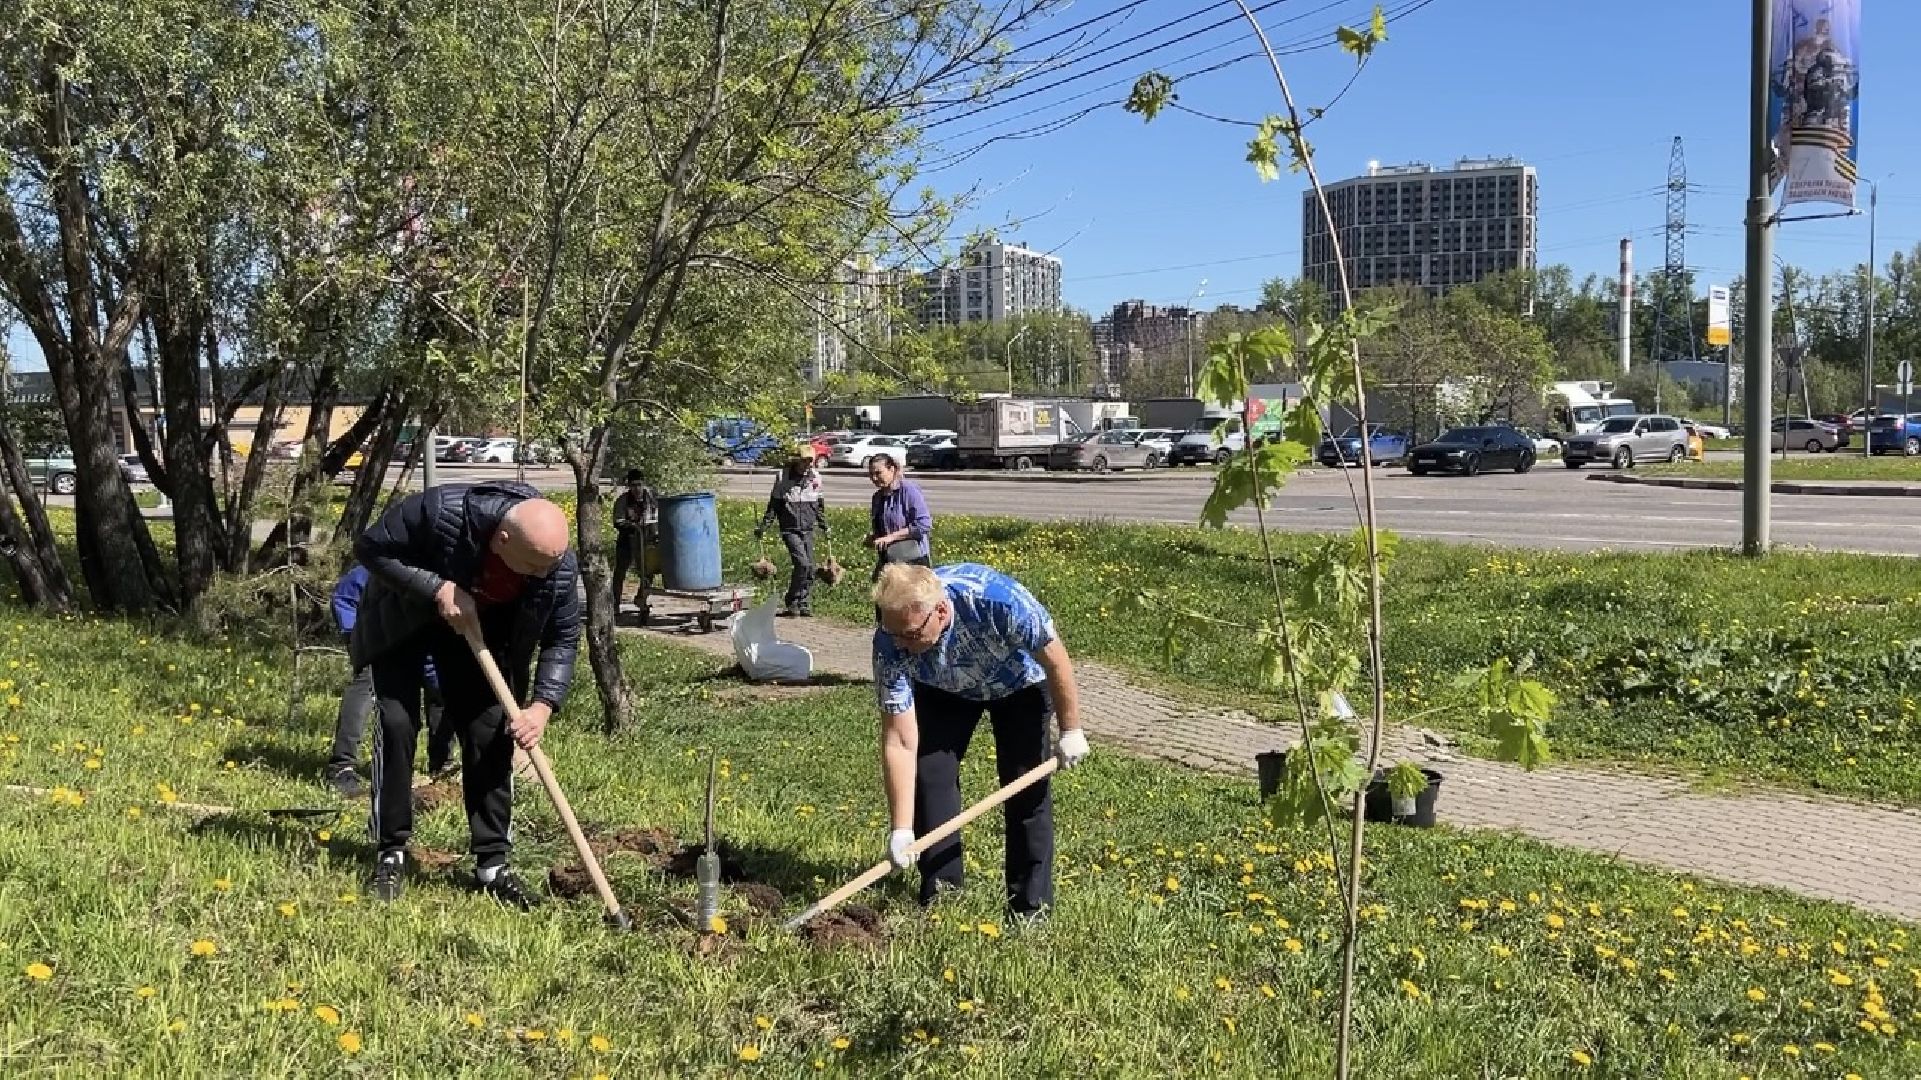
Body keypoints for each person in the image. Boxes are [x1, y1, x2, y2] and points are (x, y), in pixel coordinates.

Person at [351, 481, 580, 906]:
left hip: (478, 633)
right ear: (503, 539)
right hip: (404, 618)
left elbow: (563, 638)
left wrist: (542, 706)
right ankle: (391, 851)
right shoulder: (440, 512)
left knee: (490, 732)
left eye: (550, 565)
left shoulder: (555, 564)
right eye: (533, 566)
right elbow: (371, 548)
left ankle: (492, 865)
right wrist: (437, 588)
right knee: (397, 723)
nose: (542, 575)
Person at [870, 562, 1091, 920]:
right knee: (931, 777)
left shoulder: (998, 602)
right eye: (893, 634)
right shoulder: (891, 641)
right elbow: (899, 739)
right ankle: (942, 900)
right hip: (944, 689)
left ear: (941, 612)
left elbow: (1056, 659)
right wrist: (901, 828)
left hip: (1019, 685)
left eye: (909, 635)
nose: (901, 645)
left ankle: (1029, 908)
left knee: (1026, 786)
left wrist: (1071, 730)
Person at [325, 563, 449, 798]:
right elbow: (344, 596)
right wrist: (354, 635)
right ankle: (341, 766)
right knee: (365, 683)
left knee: (441, 691)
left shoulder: (441, 578)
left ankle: (442, 762)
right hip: (372, 633)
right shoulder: (383, 567)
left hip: (416, 641)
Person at [754, 445, 828, 617]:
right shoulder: (783, 477)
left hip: (808, 528)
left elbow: (819, 506)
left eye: (810, 461)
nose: (808, 465)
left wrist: (824, 525)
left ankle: (803, 602)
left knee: (810, 567)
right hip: (790, 528)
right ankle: (792, 600)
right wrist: (764, 525)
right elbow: (774, 505)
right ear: (796, 460)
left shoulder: (815, 478)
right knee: (802, 564)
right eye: (804, 461)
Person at [865, 453, 932, 579]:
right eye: (871, 474)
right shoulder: (877, 498)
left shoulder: (908, 490)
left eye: (878, 473)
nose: (874, 478)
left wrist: (891, 537)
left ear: (891, 469)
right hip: (890, 560)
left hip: (913, 561)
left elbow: (924, 524)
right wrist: (874, 538)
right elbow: (884, 530)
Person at [610, 469, 659, 618]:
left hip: (647, 540)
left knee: (648, 571)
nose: (637, 489)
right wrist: (631, 526)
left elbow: (657, 515)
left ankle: (640, 598)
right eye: (633, 485)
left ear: (643, 484)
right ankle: (615, 603)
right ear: (629, 486)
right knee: (620, 572)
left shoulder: (651, 497)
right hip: (628, 539)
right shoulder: (623, 500)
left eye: (639, 485)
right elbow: (617, 521)